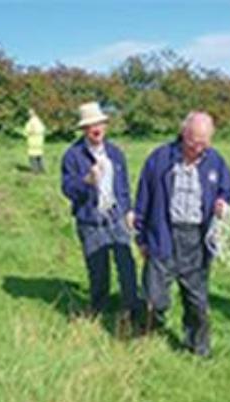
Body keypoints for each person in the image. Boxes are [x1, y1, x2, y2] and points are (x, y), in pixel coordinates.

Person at [133, 112, 230, 357]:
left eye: (204, 142)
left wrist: (222, 202)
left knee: (197, 300)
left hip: (197, 239)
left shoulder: (215, 161)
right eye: (194, 141)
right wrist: (141, 237)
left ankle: (198, 346)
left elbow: (226, 188)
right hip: (163, 233)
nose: (198, 148)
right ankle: (148, 332)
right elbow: (143, 199)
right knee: (155, 298)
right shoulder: (159, 159)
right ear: (183, 134)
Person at [61, 101, 140, 332]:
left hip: (116, 217)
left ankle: (131, 308)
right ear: (84, 129)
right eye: (90, 125)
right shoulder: (73, 155)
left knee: (126, 265)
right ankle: (99, 308)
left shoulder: (116, 153)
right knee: (98, 270)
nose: (96, 129)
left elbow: (123, 187)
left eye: (99, 124)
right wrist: (86, 182)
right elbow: (67, 188)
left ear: (105, 126)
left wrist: (129, 210)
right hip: (90, 221)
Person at [24, 108, 46, 173]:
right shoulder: (39, 122)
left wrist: (29, 132)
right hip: (39, 142)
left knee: (32, 157)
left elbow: (28, 132)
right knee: (39, 156)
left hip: (33, 142)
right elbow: (43, 130)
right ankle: (41, 169)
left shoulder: (30, 122)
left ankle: (35, 170)